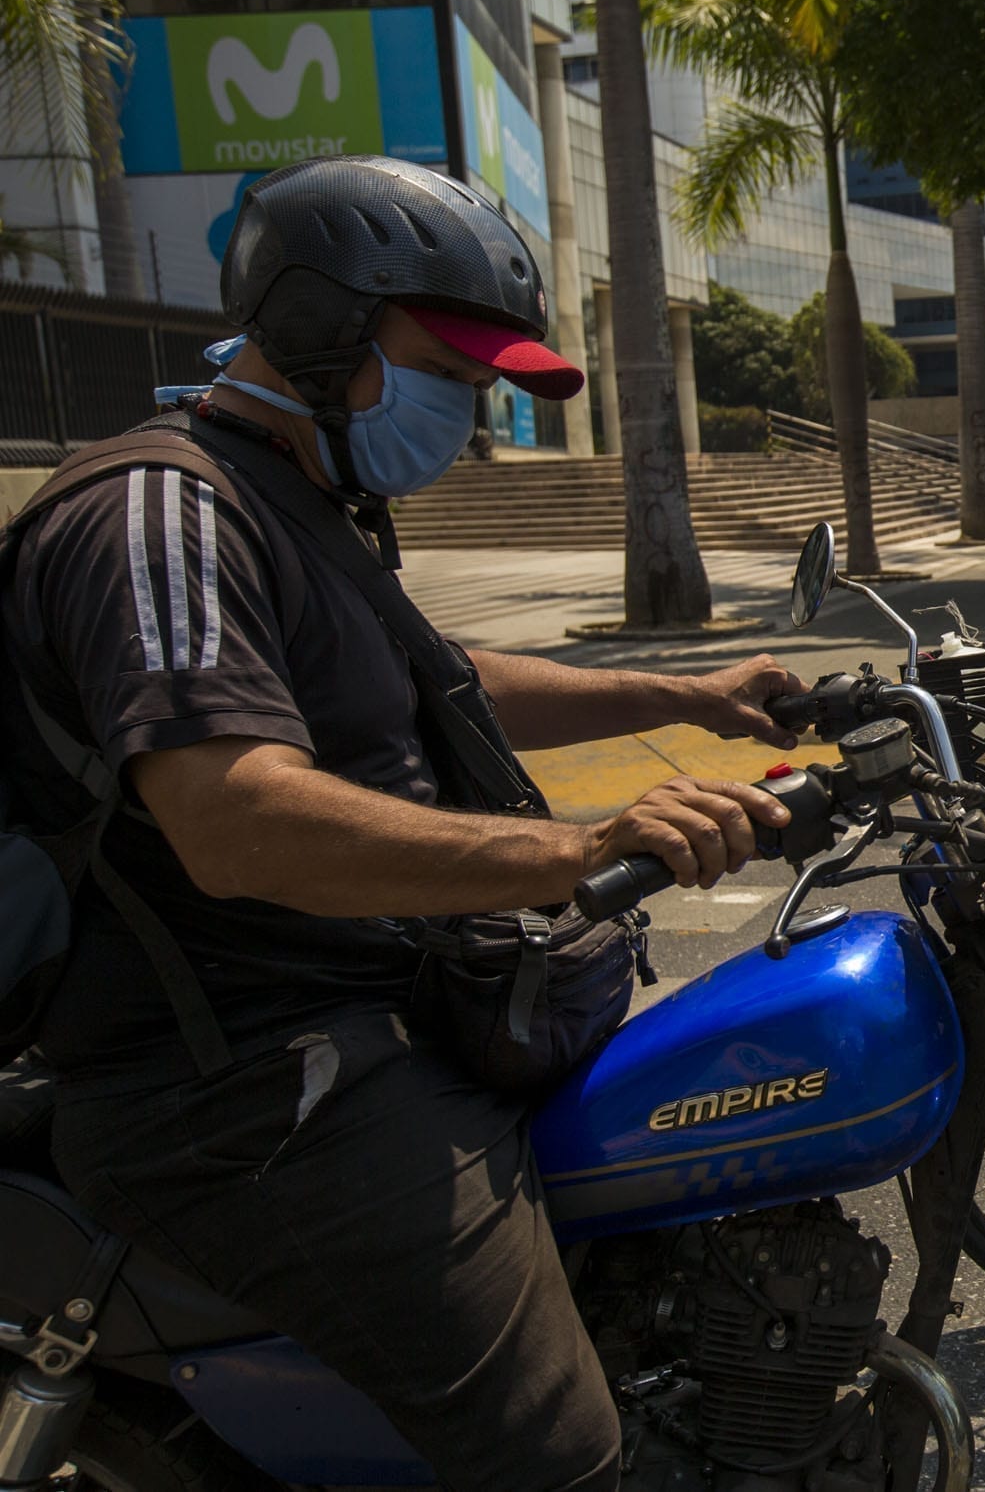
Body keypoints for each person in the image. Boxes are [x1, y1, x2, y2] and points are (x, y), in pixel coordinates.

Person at [0, 156, 803, 1491]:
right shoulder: (158, 512)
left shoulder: (297, 498)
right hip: (254, 1081)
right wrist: (583, 847)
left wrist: (696, 694)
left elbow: (440, 680)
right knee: (566, 1456)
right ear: (324, 322)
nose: (473, 404)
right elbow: (230, 816)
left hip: (381, 1014)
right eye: (455, 365)